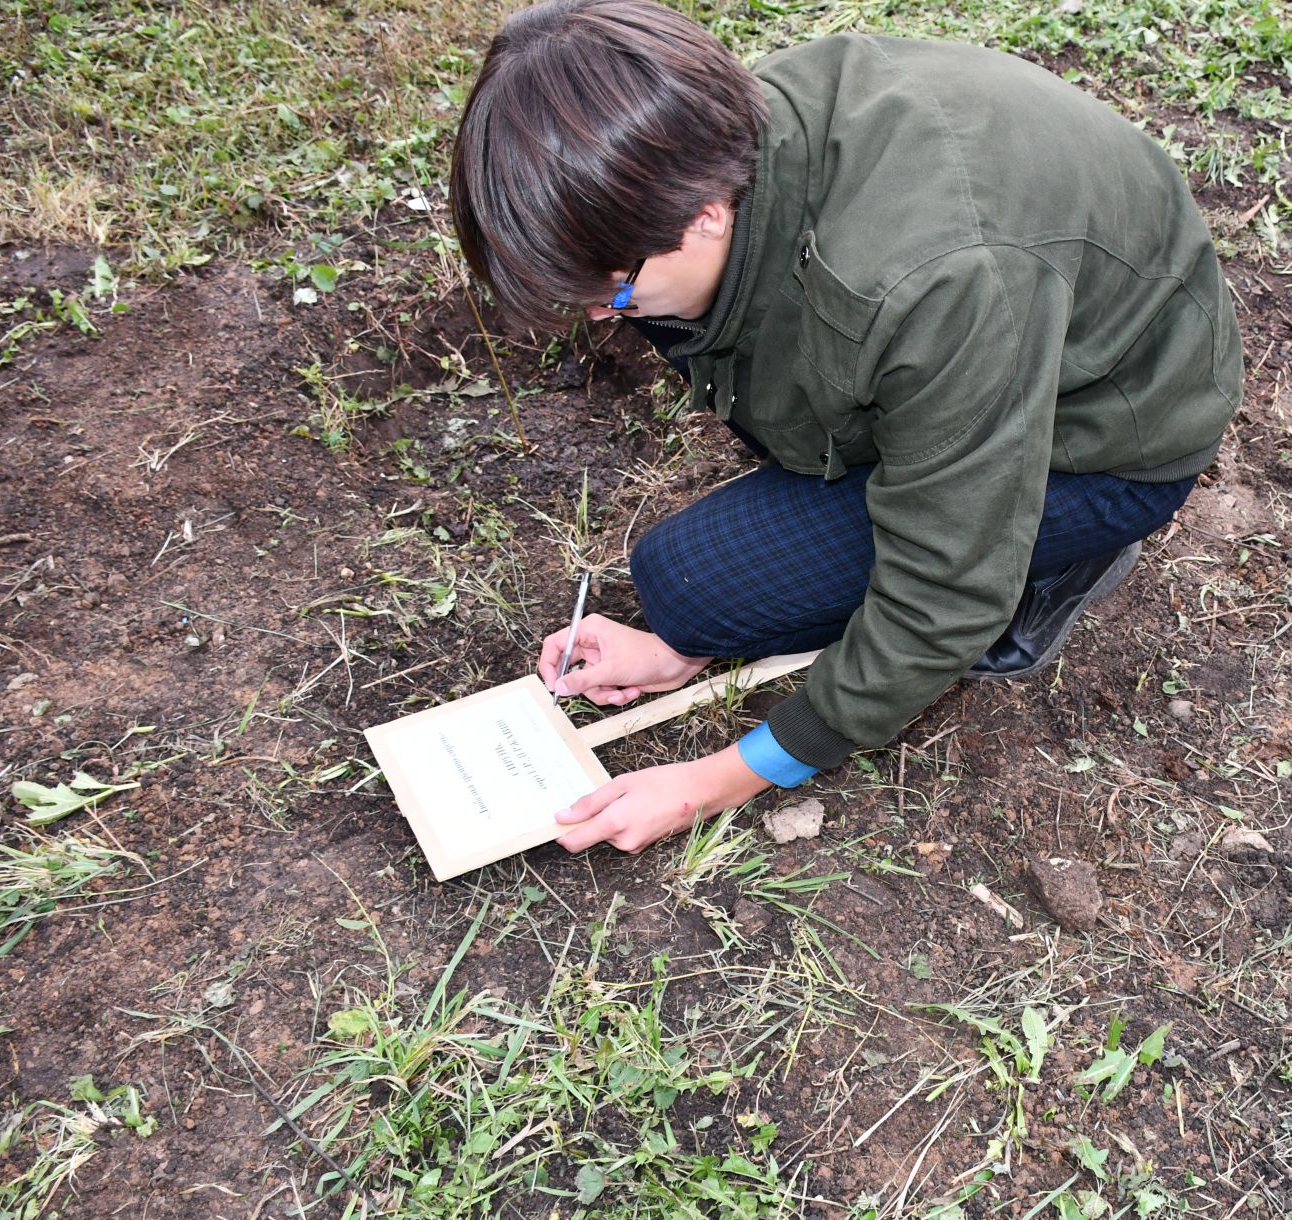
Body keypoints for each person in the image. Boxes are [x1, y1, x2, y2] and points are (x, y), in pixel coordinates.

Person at [448, 0, 1243, 853]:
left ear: (704, 213)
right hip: (987, 347)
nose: (607, 322)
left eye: (610, 295)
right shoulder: (715, 142)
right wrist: (685, 649)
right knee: (686, 589)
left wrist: (713, 782)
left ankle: (1053, 559)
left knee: (730, 584)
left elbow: (941, 594)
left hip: (1104, 437)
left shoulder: (932, 281)